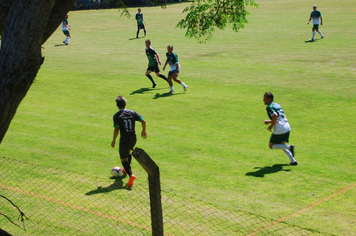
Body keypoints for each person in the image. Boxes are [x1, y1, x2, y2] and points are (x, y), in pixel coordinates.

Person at [111, 96, 147, 187]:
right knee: (128, 153)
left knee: (123, 159)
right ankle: (125, 169)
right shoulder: (132, 112)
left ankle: (131, 175)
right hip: (133, 138)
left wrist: (114, 140)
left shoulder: (116, 116)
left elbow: (116, 129)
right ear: (125, 104)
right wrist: (143, 130)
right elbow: (143, 120)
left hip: (124, 139)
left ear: (117, 106)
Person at [263, 92, 298, 165]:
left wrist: (271, 126)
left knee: (271, 146)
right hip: (287, 127)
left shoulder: (269, 107)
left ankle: (289, 147)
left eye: (265, 98)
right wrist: (270, 121)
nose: (263, 100)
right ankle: (293, 161)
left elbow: (275, 115)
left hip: (280, 129)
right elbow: (279, 117)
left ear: (269, 99)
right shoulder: (277, 105)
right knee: (282, 145)